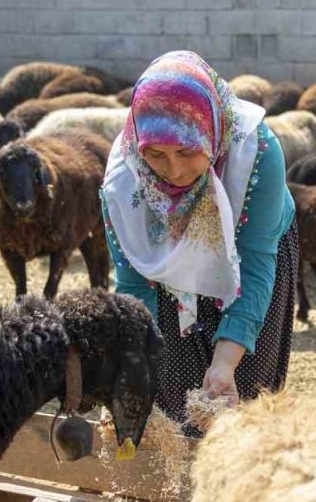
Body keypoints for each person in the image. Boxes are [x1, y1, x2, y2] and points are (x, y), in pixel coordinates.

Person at [100, 50, 297, 436]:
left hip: (247, 249)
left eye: (188, 152)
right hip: (164, 266)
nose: (174, 171)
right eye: (156, 154)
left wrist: (225, 362)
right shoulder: (123, 185)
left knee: (244, 387)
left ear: (212, 134)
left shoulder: (255, 152)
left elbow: (256, 263)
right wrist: (135, 366)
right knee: (172, 379)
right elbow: (135, 285)